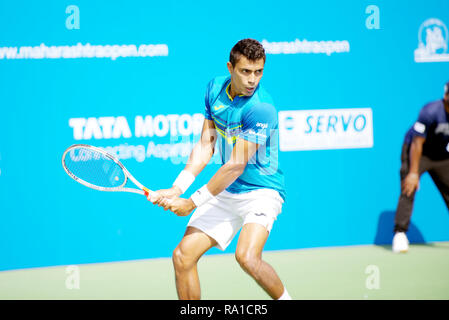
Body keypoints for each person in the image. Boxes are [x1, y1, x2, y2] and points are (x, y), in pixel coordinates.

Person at [148, 38, 290, 300]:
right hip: (228, 191)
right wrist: (177, 187)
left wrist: (191, 202)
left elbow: (235, 165)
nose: (252, 80)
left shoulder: (261, 108)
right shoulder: (214, 89)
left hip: (262, 191)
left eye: (258, 72)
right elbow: (206, 145)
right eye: (245, 71)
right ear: (230, 67)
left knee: (247, 257)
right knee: (182, 256)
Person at [393, 81, 449, 253]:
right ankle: (400, 234)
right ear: (446, 96)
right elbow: (417, 144)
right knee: (409, 187)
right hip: (418, 152)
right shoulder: (430, 111)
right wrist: (413, 172)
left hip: (442, 155)